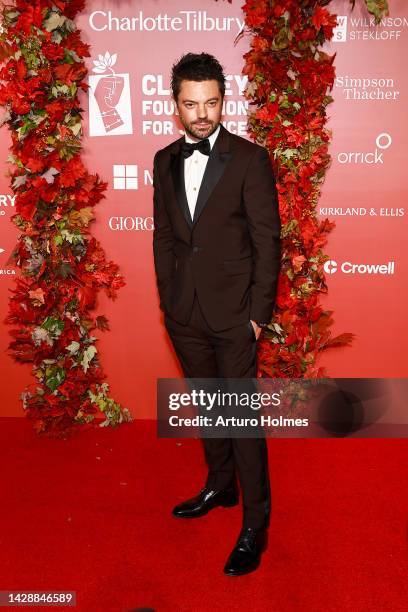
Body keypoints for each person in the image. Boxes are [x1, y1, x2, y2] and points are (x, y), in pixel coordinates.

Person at [152, 52, 281, 576]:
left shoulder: (250, 159)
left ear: (223, 100)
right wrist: (168, 301)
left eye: (210, 102)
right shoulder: (163, 159)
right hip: (185, 314)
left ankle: (255, 524)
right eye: (190, 104)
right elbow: (164, 236)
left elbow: (267, 241)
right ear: (177, 105)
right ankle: (220, 485)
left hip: (234, 316)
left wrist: (257, 315)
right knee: (209, 407)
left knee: (241, 418)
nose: (201, 113)